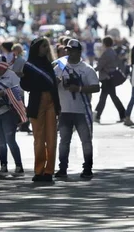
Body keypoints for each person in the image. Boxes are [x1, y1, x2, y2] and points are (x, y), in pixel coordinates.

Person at [54, 40, 100, 179]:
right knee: (64, 141)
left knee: (86, 140)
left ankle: (87, 167)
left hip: (82, 110)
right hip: (65, 110)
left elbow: (96, 87)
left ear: (79, 52)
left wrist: (79, 88)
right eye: (67, 50)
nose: (69, 52)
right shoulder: (59, 67)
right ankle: (62, 168)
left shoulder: (86, 69)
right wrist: (57, 80)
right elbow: (51, 84)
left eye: (72, 50)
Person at [21, 37, 61, 182]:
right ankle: (39, 170)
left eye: (47, 46)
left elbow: (54, 87)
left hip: (51, 102)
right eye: (44, 46)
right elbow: (25, 86)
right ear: (37, 48)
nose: (46, 48)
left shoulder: (49, 64)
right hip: (37, 102)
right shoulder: (29, 65)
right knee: (39, 138)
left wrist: (58, 107)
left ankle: (49, 171)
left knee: (51, 138)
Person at [94, 36, 126, 123]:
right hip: (110, 77)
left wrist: (92, 70)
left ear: (104, 44)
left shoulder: (106, 53)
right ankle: (122, 114)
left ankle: (97, 115)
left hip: (106, 78)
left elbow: (100, 66)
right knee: (108, 97)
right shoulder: (112, 52)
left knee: (105, 97)